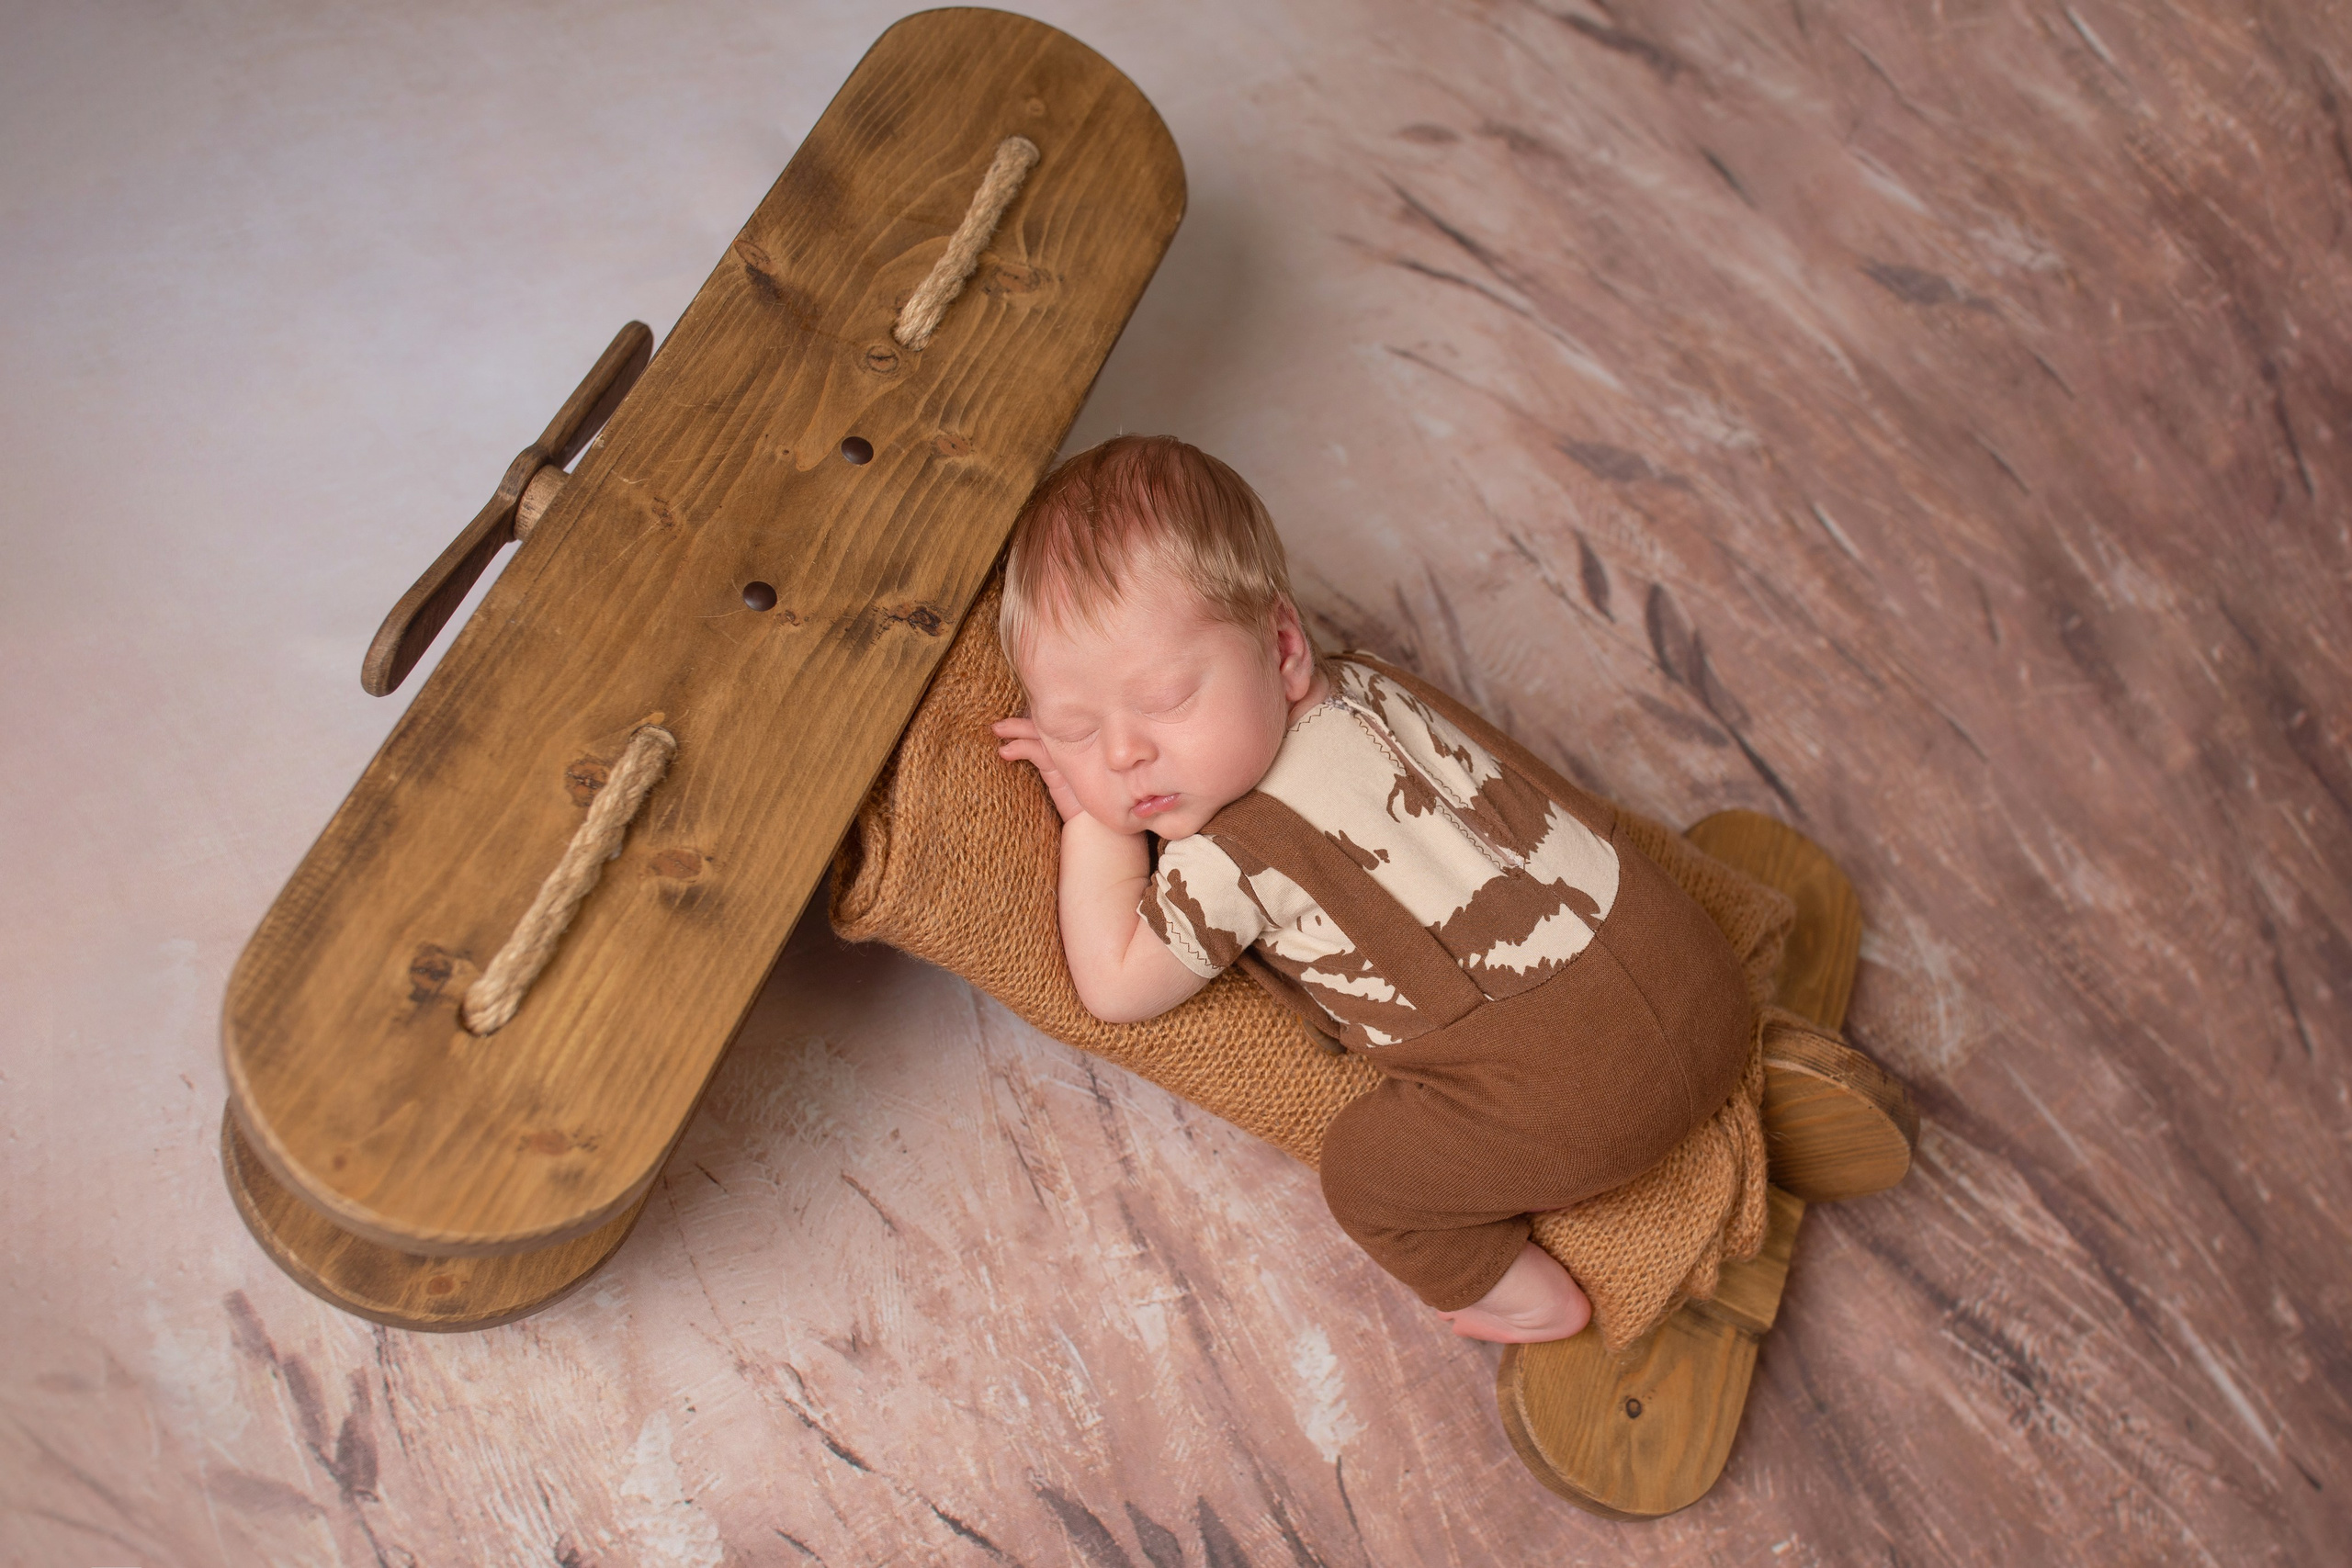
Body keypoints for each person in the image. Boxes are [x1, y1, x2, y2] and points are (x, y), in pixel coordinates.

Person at [991, 435, 1752, 1343]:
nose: (1122, 754)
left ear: (1281, 649)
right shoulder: (1371, 688)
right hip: (1704, 979)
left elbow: (1115, 987)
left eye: (1162, 701)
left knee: (1367, 1176)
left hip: (1588, 1107)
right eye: (1074, 730)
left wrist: (1093, 821)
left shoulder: (1228, 856)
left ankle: (1523, 1298)